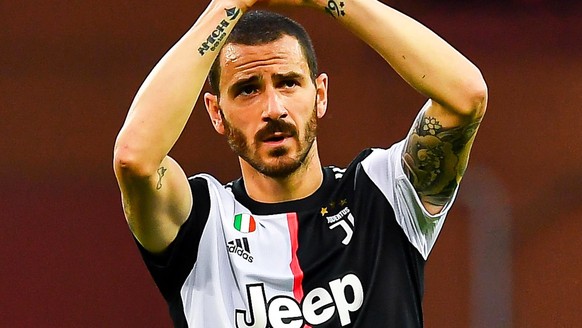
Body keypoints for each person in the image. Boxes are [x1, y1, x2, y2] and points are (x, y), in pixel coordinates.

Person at [113, 0, 487, 326]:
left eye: (289, 83)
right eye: (247, 90)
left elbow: (465, 97)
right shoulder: (202, 222)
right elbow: (134, 158)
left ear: (320, 95)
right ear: (216, 112)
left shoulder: (382, 193)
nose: (273, 110)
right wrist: (227, 6)